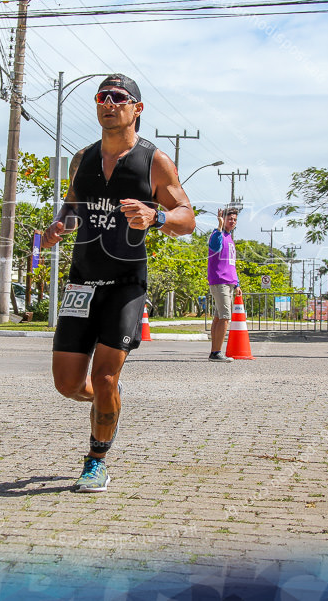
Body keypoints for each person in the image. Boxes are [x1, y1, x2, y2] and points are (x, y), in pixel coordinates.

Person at [41, 74, 195, 492]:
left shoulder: (154, 161)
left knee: (105, 376)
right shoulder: (83, 159)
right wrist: (60, 226)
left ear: (136, 109)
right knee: (68, 384)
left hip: (126, 284)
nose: (108, 103)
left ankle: (96, 460)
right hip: (82, 281)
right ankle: (110, 397)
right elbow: (73, 206)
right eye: (102, 97)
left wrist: (156, 217)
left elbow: (188, 217)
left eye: (118, 97)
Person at [207, 207, 241, 362]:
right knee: (225, 317)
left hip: (229, 282)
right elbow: (214, 247)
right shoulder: (217, 234)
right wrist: (219, 226)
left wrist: (237, 283)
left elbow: (231, 264)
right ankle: (216, 352)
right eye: (229, 219)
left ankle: (214, 351)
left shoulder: (230, 238)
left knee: (218, 317)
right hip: (220, 280)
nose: (232, 221)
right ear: (223, 218)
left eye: (234, 219)